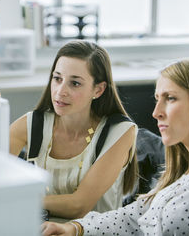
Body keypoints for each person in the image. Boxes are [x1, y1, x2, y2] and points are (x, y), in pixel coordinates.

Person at [42, 57, 189, 235]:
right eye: (157, 99)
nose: (156, 113)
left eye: (171, 98)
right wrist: (75, 228)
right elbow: (133, 217)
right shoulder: (183, 171)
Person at [10, 40, 138, 220]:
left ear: (98, 90)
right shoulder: (32, 124)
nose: (60, 91)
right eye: (57, 79)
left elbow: (79, 206)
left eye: (75, 83)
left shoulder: (119, 132)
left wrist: (20, 200)